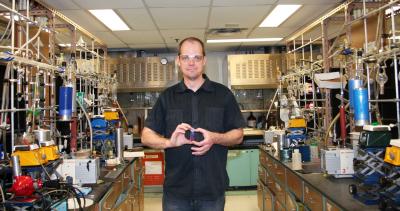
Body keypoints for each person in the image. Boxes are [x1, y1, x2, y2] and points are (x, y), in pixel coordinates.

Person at [141, 37, 245, 211]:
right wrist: (169, 143)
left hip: (212, 192)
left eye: (196, 57)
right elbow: (146, 135)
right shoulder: (167, 97)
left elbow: (238, 135)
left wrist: (215, 138)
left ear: (204, 60)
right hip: (176, 194)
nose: (191, 63)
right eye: (186, 57)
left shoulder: (223, 95)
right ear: (178, 61)